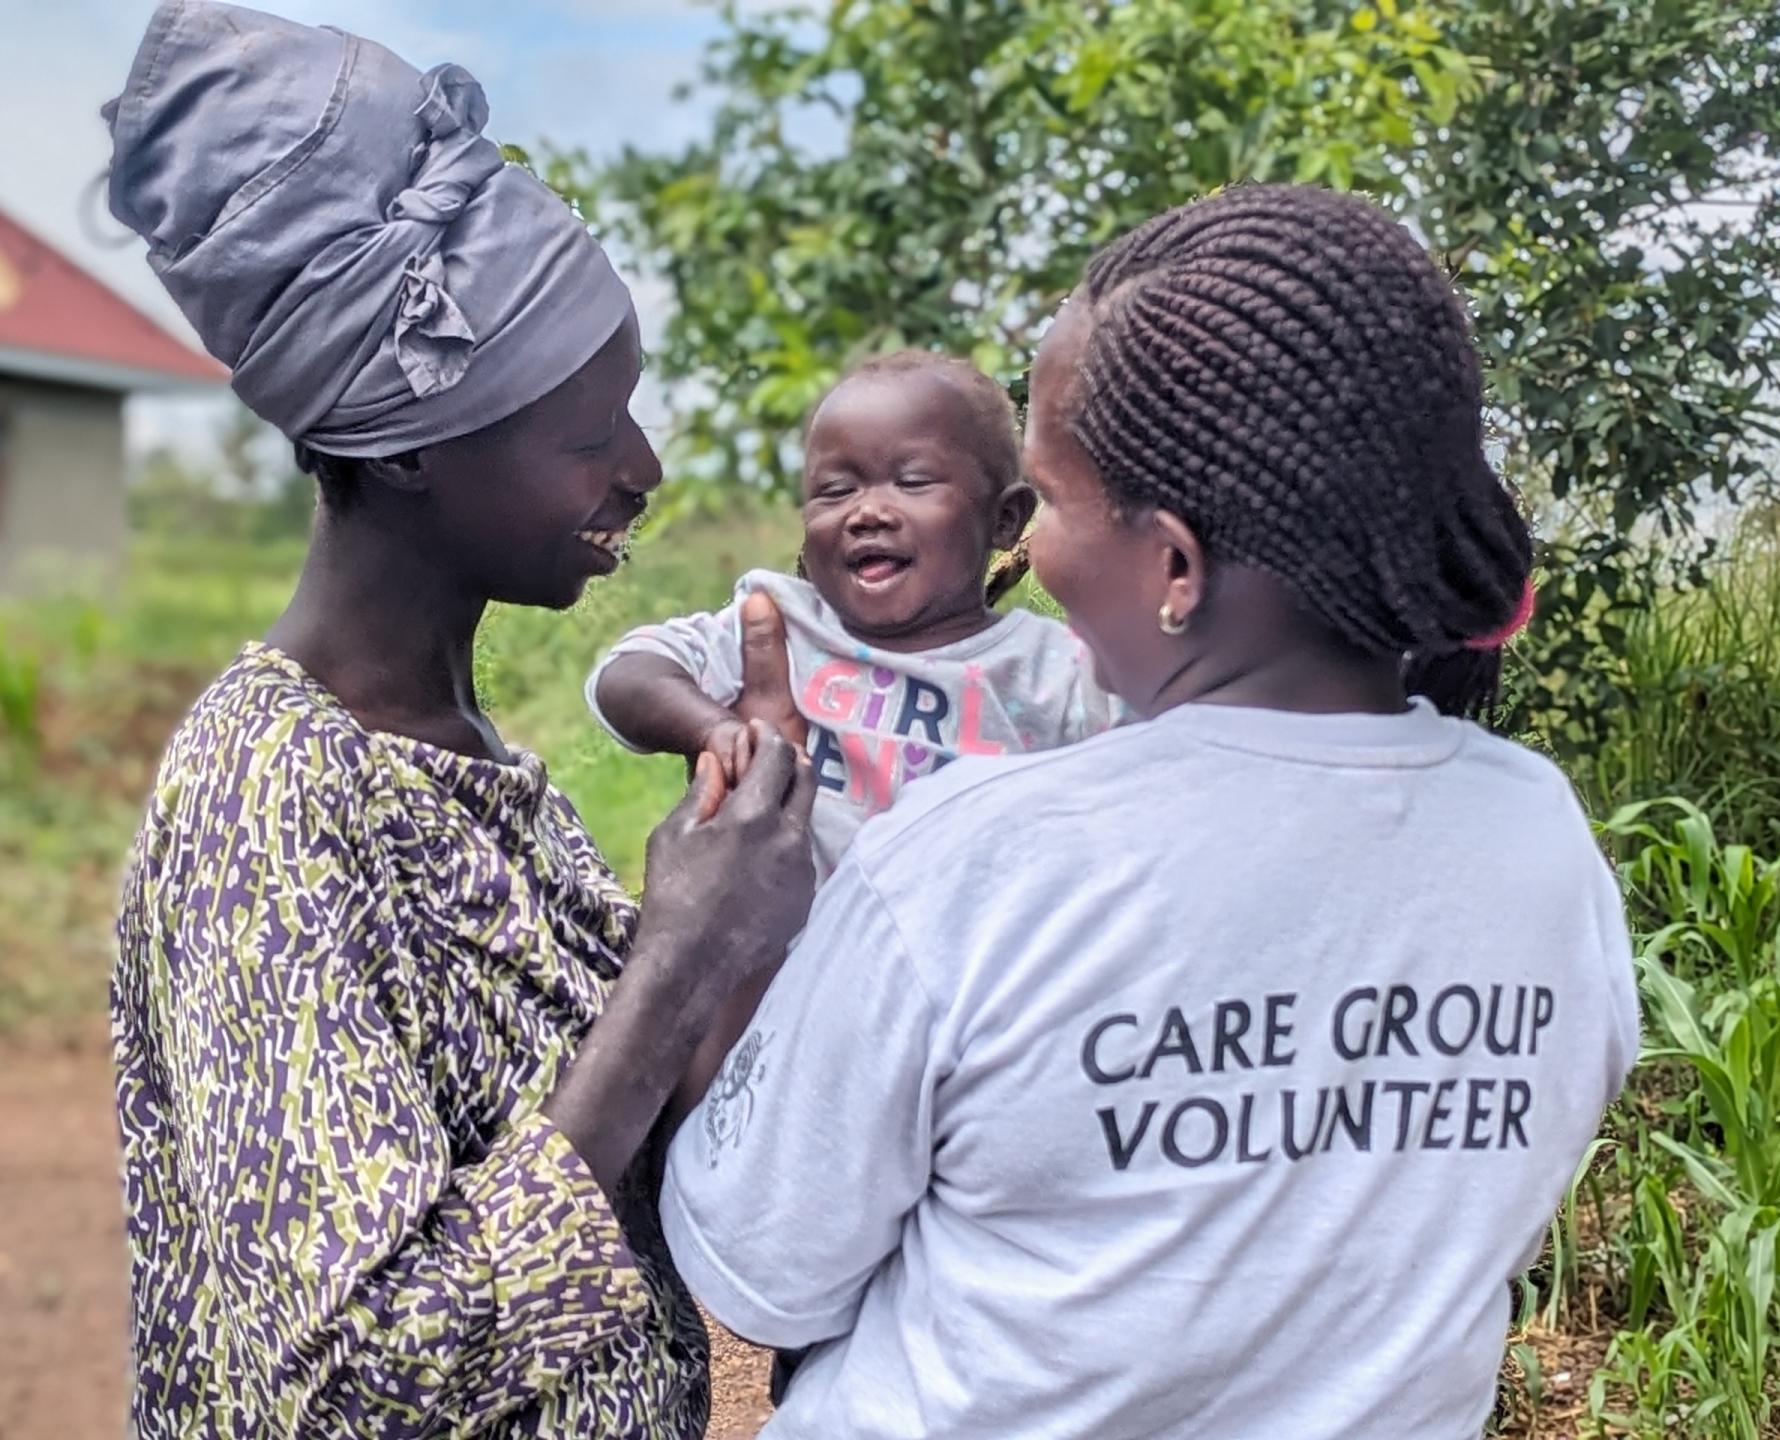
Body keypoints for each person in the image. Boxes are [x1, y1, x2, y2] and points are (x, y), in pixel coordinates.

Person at [659, 184, 1641, 1439]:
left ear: (1174, 564)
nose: (1031, 559)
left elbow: (760, 1273)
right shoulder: (1540, 836)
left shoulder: (971, 863)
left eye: (1051, 504)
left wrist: (733, 935)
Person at [103, 5, 815, 1438]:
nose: (643, 466)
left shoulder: (480, 768)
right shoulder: (268, 795)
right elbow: (362, 1384)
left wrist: (757, 914)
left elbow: (624, 1169)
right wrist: (676, 959)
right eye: (584, 431)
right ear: (414, 444)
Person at [586, 352, 1115, 881]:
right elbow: (627, 674)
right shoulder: (786, 625)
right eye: (835, 491)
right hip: (807, 951)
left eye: (912, 482)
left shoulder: (1052, 670)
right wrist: (715, 729)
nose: (867, 513)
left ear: (1004, 519)